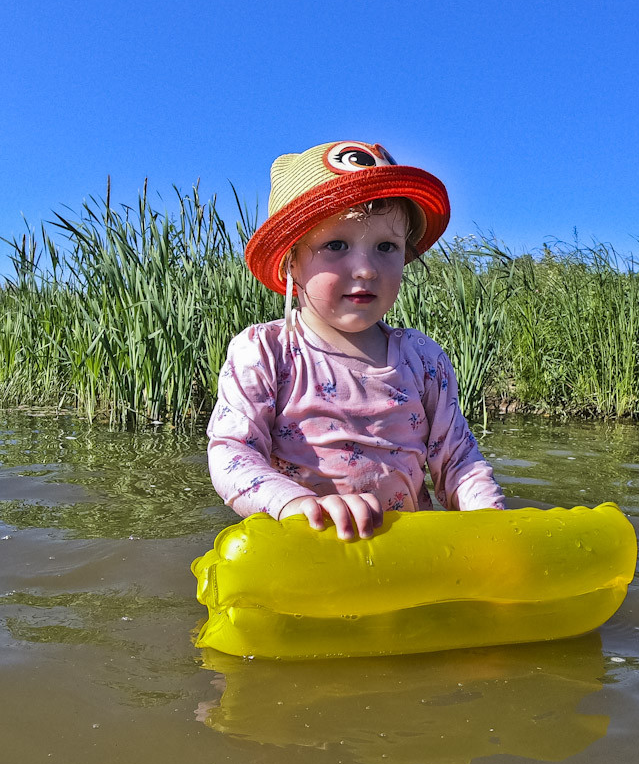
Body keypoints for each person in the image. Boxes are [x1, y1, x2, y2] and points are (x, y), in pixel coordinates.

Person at [207, 140, 505, 540]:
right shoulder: (267, 351)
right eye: (336, 245)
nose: (365, 269)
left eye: (386, 247)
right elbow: (232, 452)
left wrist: (492, 524)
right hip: (309, 548)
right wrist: (294, 505)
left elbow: (458, 461)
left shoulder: (424, 359)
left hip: (404, 555)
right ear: (291, 260)